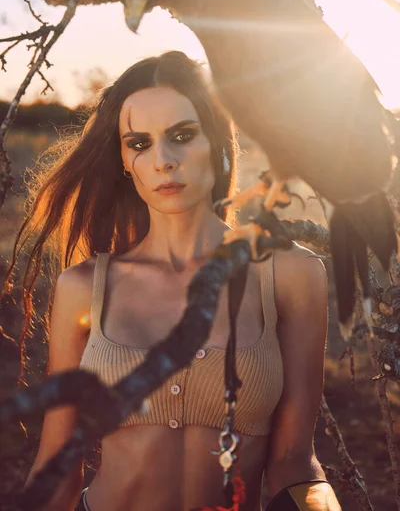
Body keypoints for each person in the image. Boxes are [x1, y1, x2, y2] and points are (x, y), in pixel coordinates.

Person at [7, 51, 338, 510]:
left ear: (218, 142)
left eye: (182, 136)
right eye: (139, 143)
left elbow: (295, 460)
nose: (162, 160)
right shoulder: (84, 287)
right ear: (124, 160)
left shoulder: (291, 274)